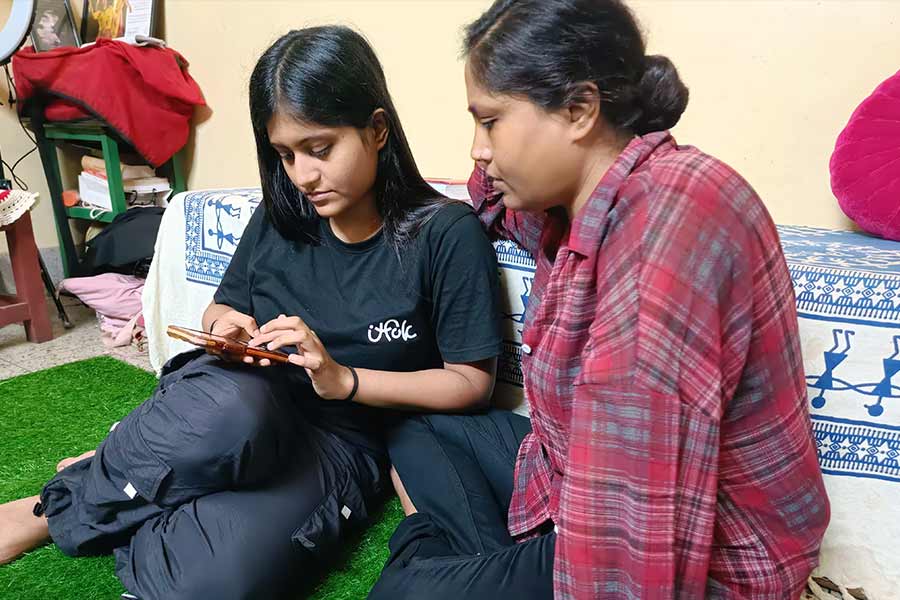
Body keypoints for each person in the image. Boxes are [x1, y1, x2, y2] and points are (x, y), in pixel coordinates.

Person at [0, 26, 502, 600]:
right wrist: (226, 329)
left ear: (378, 129)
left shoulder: (445, 234)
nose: (302, 176)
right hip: (242, 398)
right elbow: (224, 305)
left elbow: (471, 384)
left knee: (215, 580)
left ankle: (136, 475)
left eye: (319, 149)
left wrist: (345, 380)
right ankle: (51, 506)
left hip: (341, 439)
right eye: (284, 155)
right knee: (228, 414)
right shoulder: (281, 213)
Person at [371, 1, 830, 598]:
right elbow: (491, 194)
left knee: (403, 591)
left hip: (691, 555)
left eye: (489, 122)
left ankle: (427, 566)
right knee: (419, 429)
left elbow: (634, 552)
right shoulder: (594, 191)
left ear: (580, 110)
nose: (477, 149)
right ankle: (459, 568)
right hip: (572, 478)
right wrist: (499, 158)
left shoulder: (660, 252)